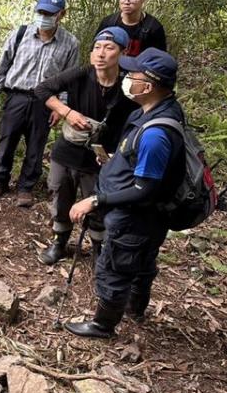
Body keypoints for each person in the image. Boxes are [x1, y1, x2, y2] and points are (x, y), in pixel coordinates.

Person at [65, 48, 185, 339]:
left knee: (115, 268)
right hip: (149, 219)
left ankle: (103, 325)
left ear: (150, 85)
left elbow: (144, 189)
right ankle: (135, 309)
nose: (127, 77)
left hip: (135, 218)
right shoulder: (156, 111)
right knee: (142, 264)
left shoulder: (157, 134)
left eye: (134, 74)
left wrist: (96, 199)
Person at [35, 27, 138, 264]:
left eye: (109, 48)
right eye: (97, 48)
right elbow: (42, 90)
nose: (101, 54)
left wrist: (120, 153)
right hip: (68, 150)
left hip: (102, 157)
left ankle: (98, 249)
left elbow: (136, 122)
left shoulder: (129, 86)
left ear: (122, 53)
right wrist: (67, 112)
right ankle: (60, 243)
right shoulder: (81, 74)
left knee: (97, 201)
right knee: (61, 195)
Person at [0, 0, 80, 207]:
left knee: (36, 146)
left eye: (49, 13)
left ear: (61, 14)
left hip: (45, 102)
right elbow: (2, 67)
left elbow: (69, 79)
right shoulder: (20, 34)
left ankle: (26, 187)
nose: (44, 16)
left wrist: (61, 107)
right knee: (7, 142)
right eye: (41, 12)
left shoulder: (70, 43)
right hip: (17, 96)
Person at [95, 0, 167, 56]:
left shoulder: (153, 28)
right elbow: (95, 53)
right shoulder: (108, 23)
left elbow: (159, 61)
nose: (126, 2)